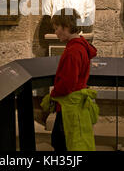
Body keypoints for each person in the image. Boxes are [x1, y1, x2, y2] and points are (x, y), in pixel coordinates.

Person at [41, 8, 98, 151]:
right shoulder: (79, 46)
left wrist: (53, 95)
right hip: (75, 104)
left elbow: (67, 84)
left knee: (63, 144)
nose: (55, 32)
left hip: (69, 106)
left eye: (56, 28)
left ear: (66, 26)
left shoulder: (73, 51)